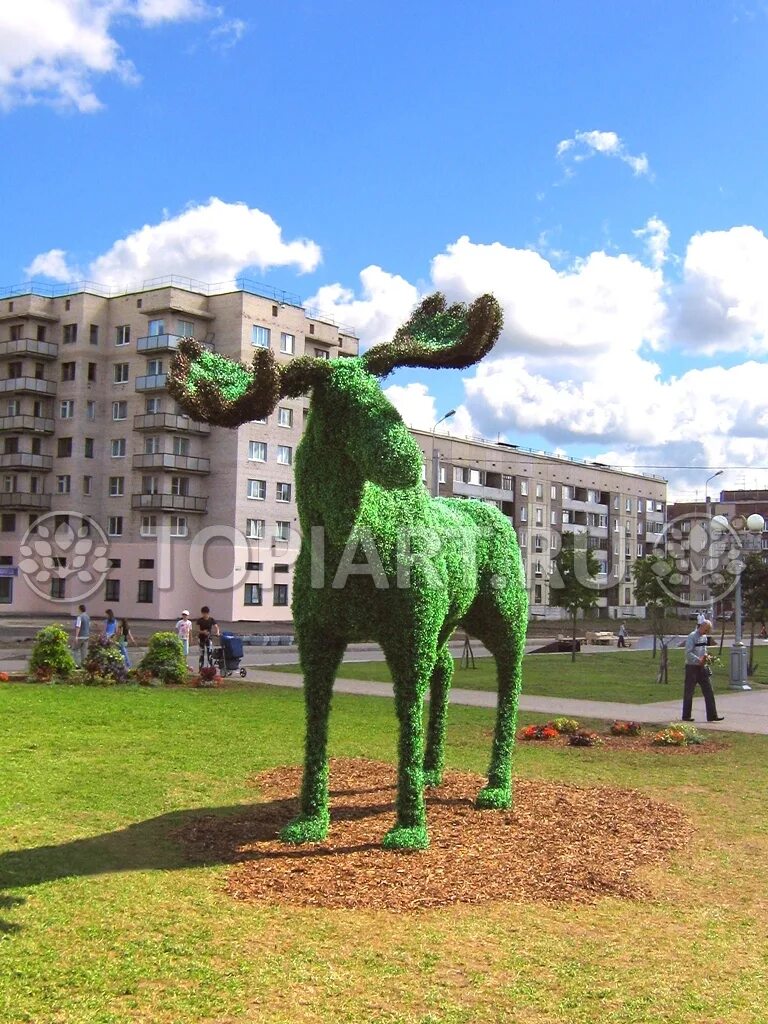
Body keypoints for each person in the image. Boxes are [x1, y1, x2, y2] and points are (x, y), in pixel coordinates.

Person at [682, 619, 724, 723]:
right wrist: (698, 659)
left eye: (707, 631)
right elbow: (688, 652)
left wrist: (707, 658)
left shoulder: (704, 637)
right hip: (692, 667)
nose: (706, 632)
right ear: (701, 627)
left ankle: (712, 715)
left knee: (709, 691)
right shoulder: (692, 636)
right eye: (705, 630)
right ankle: (686, 716)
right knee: (689, 692)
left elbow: (704, 650)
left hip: (702, 667)